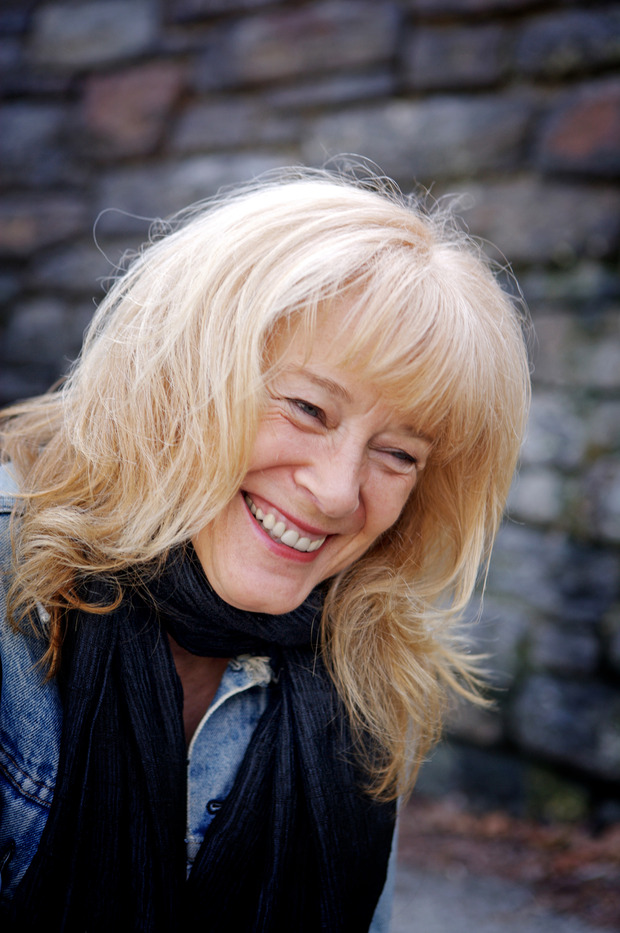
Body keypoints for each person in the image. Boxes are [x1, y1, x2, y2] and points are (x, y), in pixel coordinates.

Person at [0, 165, 530, 932]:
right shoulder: (10, 575)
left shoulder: (368, 676)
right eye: (309, 408)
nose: (337, 492)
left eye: (398, 453)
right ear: (182, 374)